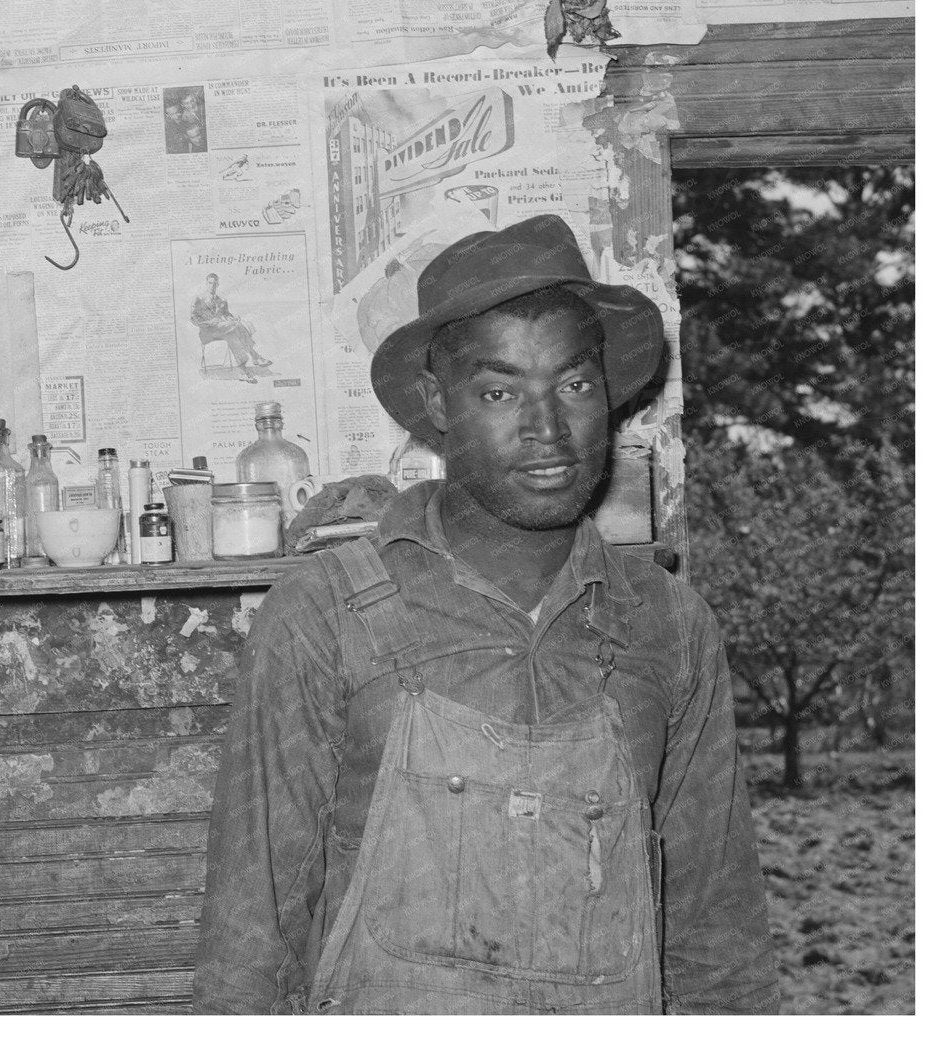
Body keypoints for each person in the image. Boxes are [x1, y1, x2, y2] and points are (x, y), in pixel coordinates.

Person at [193, 214, 778, 1015]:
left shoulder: (670, 626)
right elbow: (249, 935)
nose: (548, 428)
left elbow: (718, 935)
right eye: (500, 391)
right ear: (437, 403)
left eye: (573, 384)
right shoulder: (324, 615)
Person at [191, 273, 271, 383]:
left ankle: (243, 372)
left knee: (232, 333)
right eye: (210, 283)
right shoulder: (199, 299)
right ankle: (255, 357)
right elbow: (193, 317)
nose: (212, 286)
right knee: (237, 326)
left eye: (215, 283)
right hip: (207, 331)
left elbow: (226, 314)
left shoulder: (222, 300)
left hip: (223, 329)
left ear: (218, 284)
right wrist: (208, 322)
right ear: (206, 283)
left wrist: (232, 318)